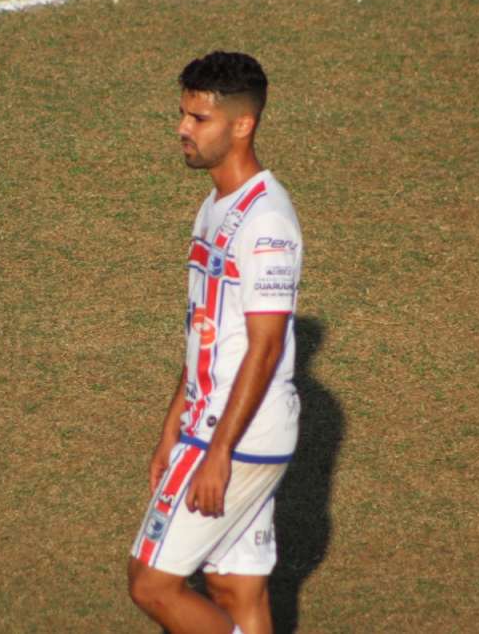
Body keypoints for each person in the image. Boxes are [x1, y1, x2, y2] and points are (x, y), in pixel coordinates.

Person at [128, 51, 303, 634]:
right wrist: (170, 424)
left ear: (242, 125)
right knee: (235, 586)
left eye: (198, 118)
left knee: (151, 583)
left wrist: (217, 453)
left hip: (234, 436)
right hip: (216, 425)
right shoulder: (215, 205)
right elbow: (205, 326)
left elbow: (266, 347)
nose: (182, 128)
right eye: (182, 114)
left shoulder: (266, 223)